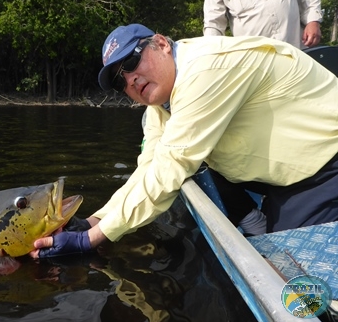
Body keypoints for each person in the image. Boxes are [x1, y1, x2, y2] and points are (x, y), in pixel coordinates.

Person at [30, 23, 338, 259]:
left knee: (296, 276)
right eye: (118, 80)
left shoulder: (204, 71)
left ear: (162, 43)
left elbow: (171, 169)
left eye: (133, 61)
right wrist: (91, 221)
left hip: (323, 164)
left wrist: (92, 240)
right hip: (276, 169)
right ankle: (256, 221)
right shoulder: (159, 104)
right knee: (194, 163)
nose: (130, 79)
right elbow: (148, 169)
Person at [203, 0, 323, 49]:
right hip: (255, 61)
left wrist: (313, 20)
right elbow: (213, 23)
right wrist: (211, 55)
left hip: (296, 50)